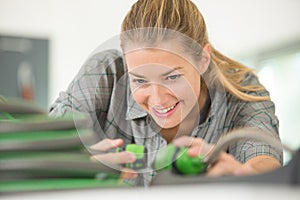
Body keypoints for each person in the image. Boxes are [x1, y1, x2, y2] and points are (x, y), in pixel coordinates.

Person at [49, 0, 282, 185]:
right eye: (139, 80)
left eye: (172, 77)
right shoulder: (102, 75)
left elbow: (263, 160)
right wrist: (80, 165)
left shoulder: (240, 89)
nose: (158, 100)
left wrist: (245, 174)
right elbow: (36, 154)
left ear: (202, 60)